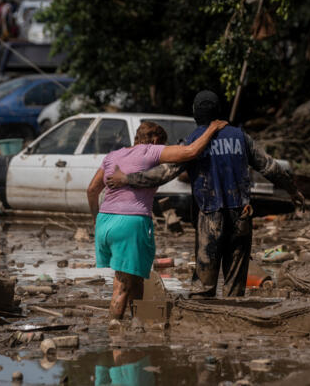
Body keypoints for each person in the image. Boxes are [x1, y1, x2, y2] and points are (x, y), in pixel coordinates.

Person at [107, 90, 305, 298]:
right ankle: (234, 320)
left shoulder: (194, 141)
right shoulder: (240, 137)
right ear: (218, 111)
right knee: (235, 281)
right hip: (241, 214)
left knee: (203, 284)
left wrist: (127, 179)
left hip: (209, 215)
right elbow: (270, 167)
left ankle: (203, 323)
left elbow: (164, 174)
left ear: (195, 114)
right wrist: (292, 190)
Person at [86, 120, 228, 322]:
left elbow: (92, 190)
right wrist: (212, 128)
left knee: (135, 277)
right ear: (154, 140)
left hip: (105, 222)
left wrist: (96, 219)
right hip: (130, 223)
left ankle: (138, 324)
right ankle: (114, 334)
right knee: (122, 284)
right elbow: (190, 152)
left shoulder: (113, 155)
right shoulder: (150, 151)